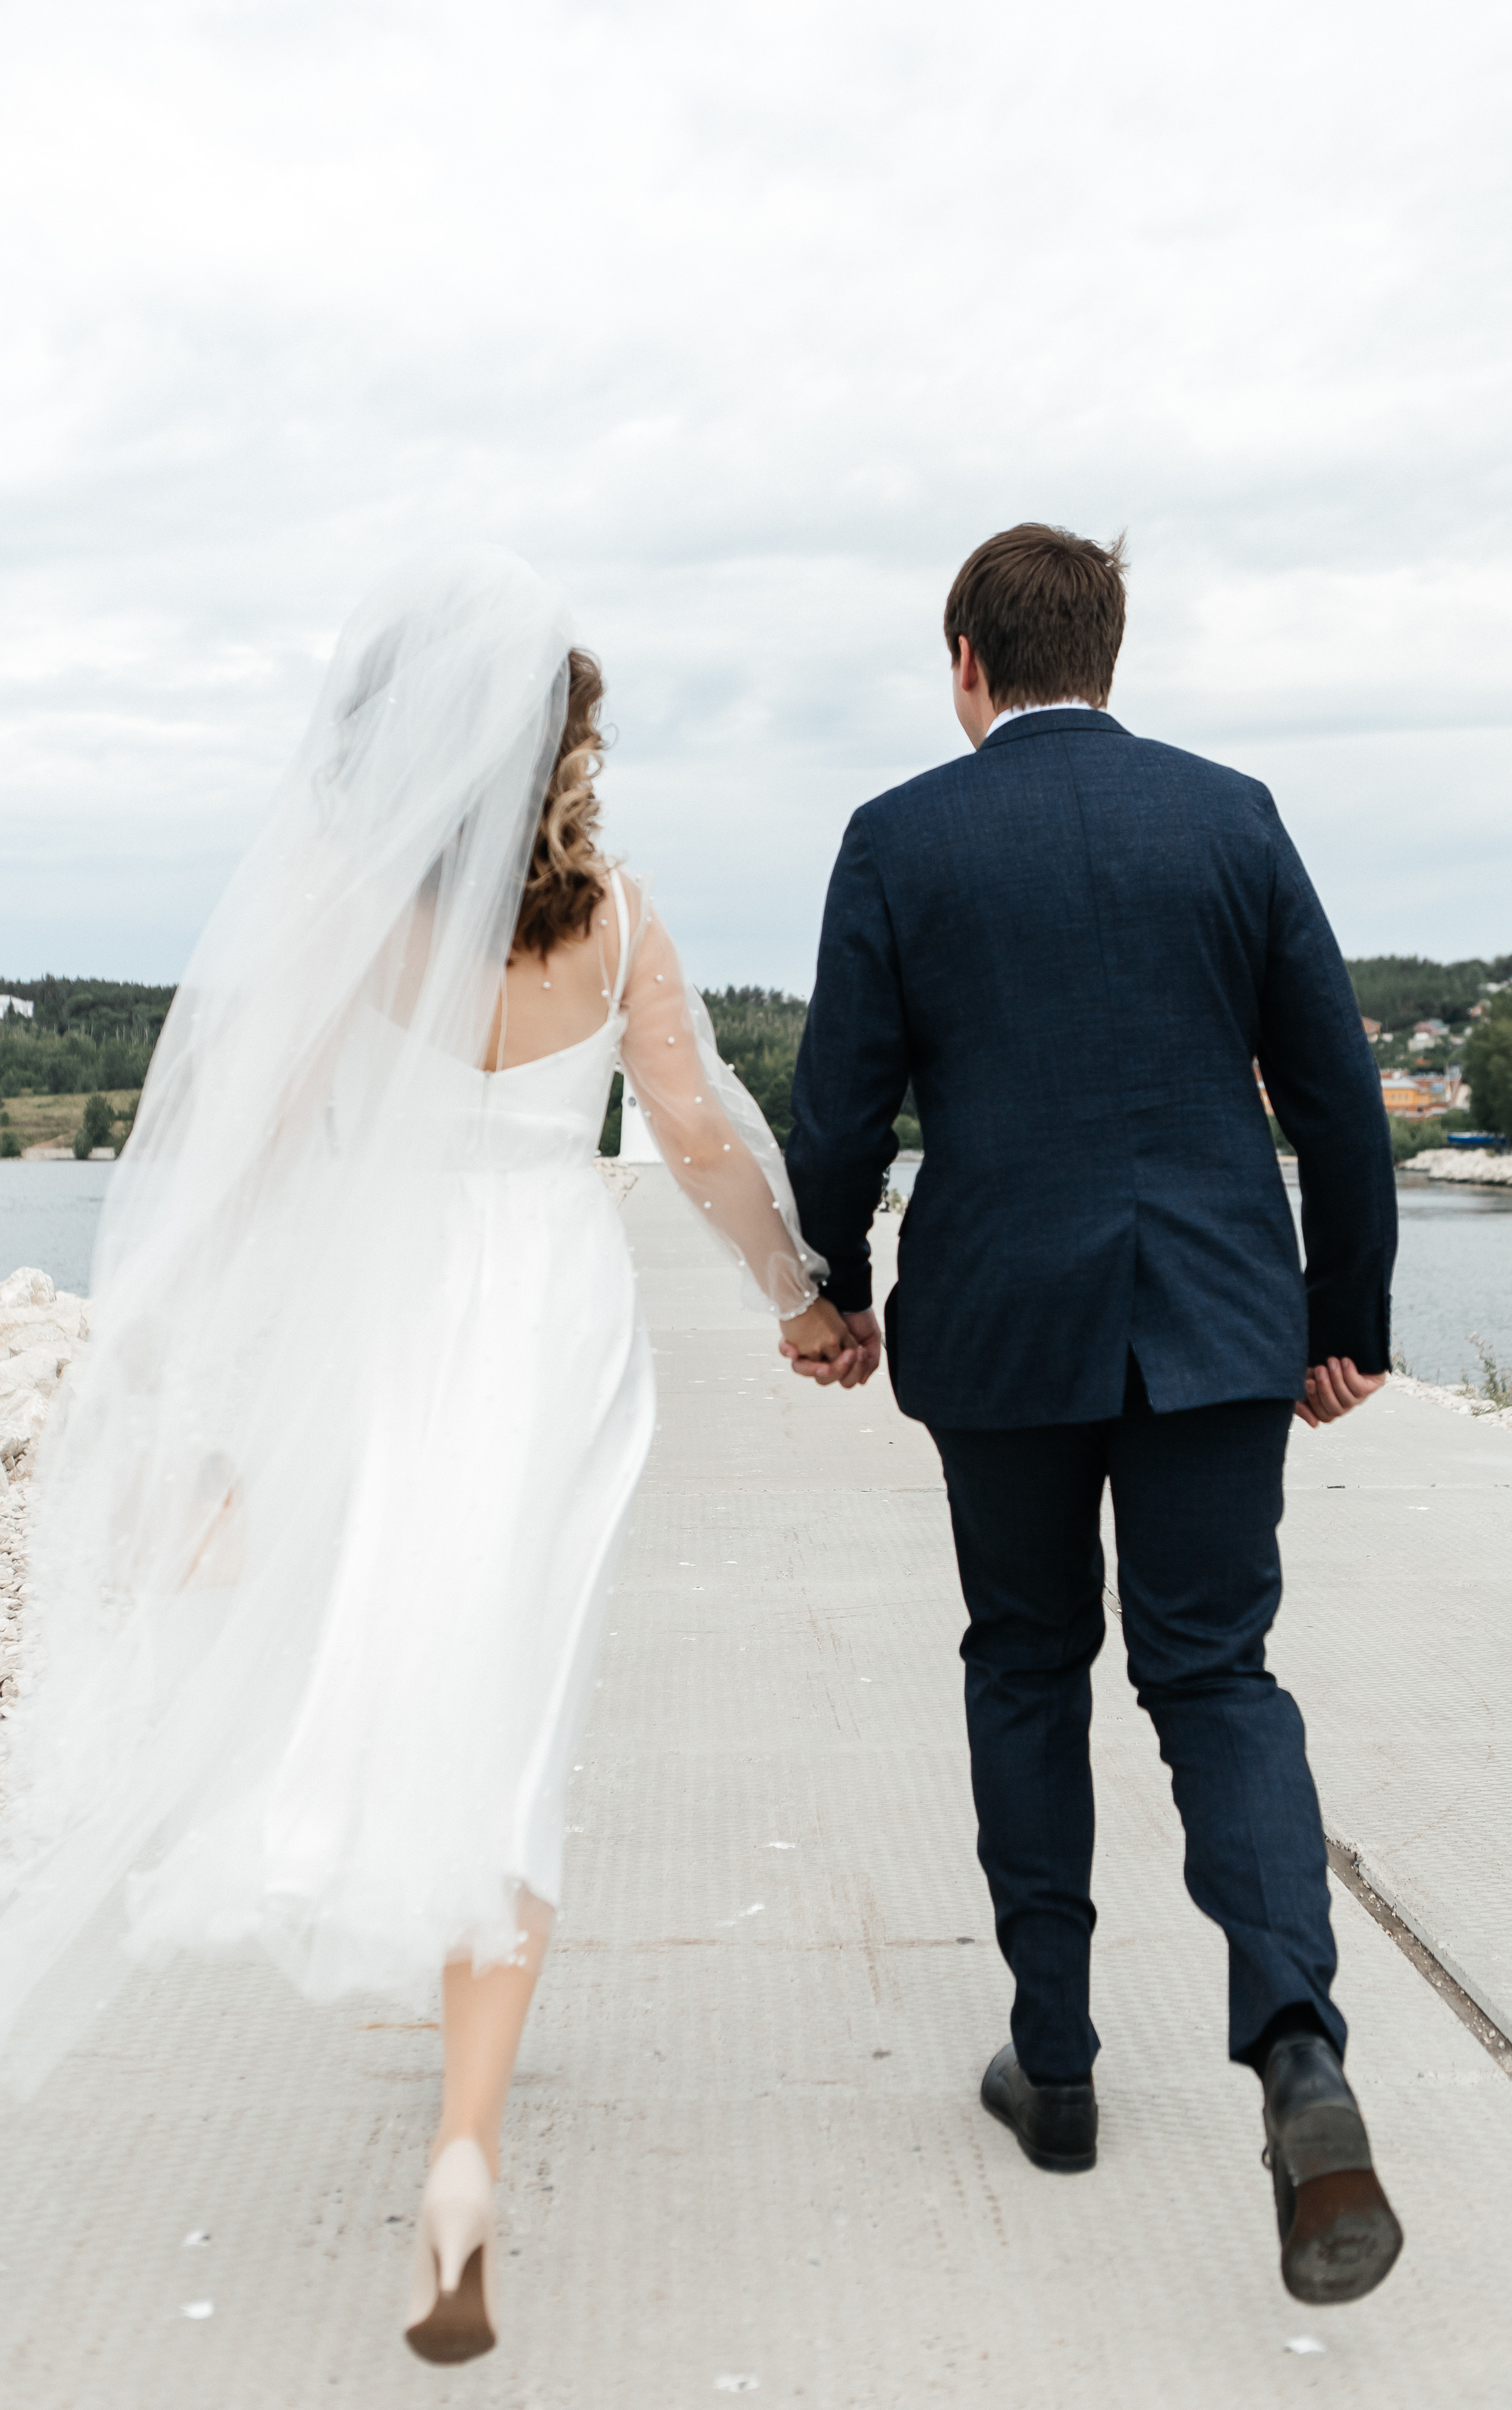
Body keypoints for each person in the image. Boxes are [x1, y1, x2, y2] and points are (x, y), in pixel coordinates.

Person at [0, 549, 866, 2364]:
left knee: (397, 1642)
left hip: (389, 1317)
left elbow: (240, 1153)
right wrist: (799, 1297)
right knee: (520, 1693)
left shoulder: (345, 917)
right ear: (560, 745)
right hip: (553, 1316)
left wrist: (148, 1348)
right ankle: (463, 2155)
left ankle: (414, 1992)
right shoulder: (619, 919)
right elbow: (701, 1138)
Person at [784, 523, 1404, 2306]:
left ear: (967, 662)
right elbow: (1339, 1096)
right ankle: (1296, 2044)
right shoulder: (1232, 815)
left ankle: (1053, 2063)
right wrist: (1343, 1318)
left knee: (1028, 1661)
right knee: (1216, 1674)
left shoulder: (901, 837)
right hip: (1217, 1323)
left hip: (1003, 1335)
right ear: (1107, 660)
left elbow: (838, 1110)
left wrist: (828, 1284)